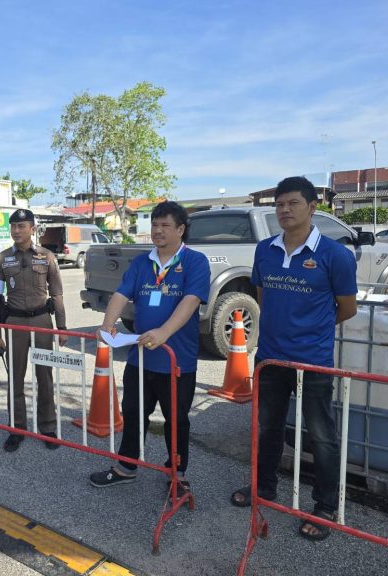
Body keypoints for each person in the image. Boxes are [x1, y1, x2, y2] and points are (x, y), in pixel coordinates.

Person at [229, 176, 357, 541]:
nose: (284, 210)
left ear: (313, 206)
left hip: (313, 360)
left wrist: (311, 327)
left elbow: (346, 308)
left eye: (293, 203)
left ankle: (325, 507)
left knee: (321, 435)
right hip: (271, 358)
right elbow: (263, 294)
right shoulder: (265, 250)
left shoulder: (335, 255)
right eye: (279, 204)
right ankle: (263, 487)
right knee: (267, 427)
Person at [89, 201, 210, 496]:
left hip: (175, 360)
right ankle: (125, 467)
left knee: (176, 420)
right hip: (140, 356)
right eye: (154, 225)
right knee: (132, 412)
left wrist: (164, 332)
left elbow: (191, 300)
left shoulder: (195, 262)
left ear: (181, 229)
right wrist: (107, 325)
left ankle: (177, 473)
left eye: (165, 225)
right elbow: (121, 294)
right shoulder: (143, 262)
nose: (157, 230)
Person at [0, 208, 68, 452]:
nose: (16, 230)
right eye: (13, 226)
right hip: (15, 323)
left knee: (45, 377)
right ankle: (17, 428)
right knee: (15, 377)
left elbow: (57, 293)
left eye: (22, 226)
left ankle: (48, 427)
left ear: (32, 229)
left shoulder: (47, 257)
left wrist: (62, 326)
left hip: (43, 321)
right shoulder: (1, 260)